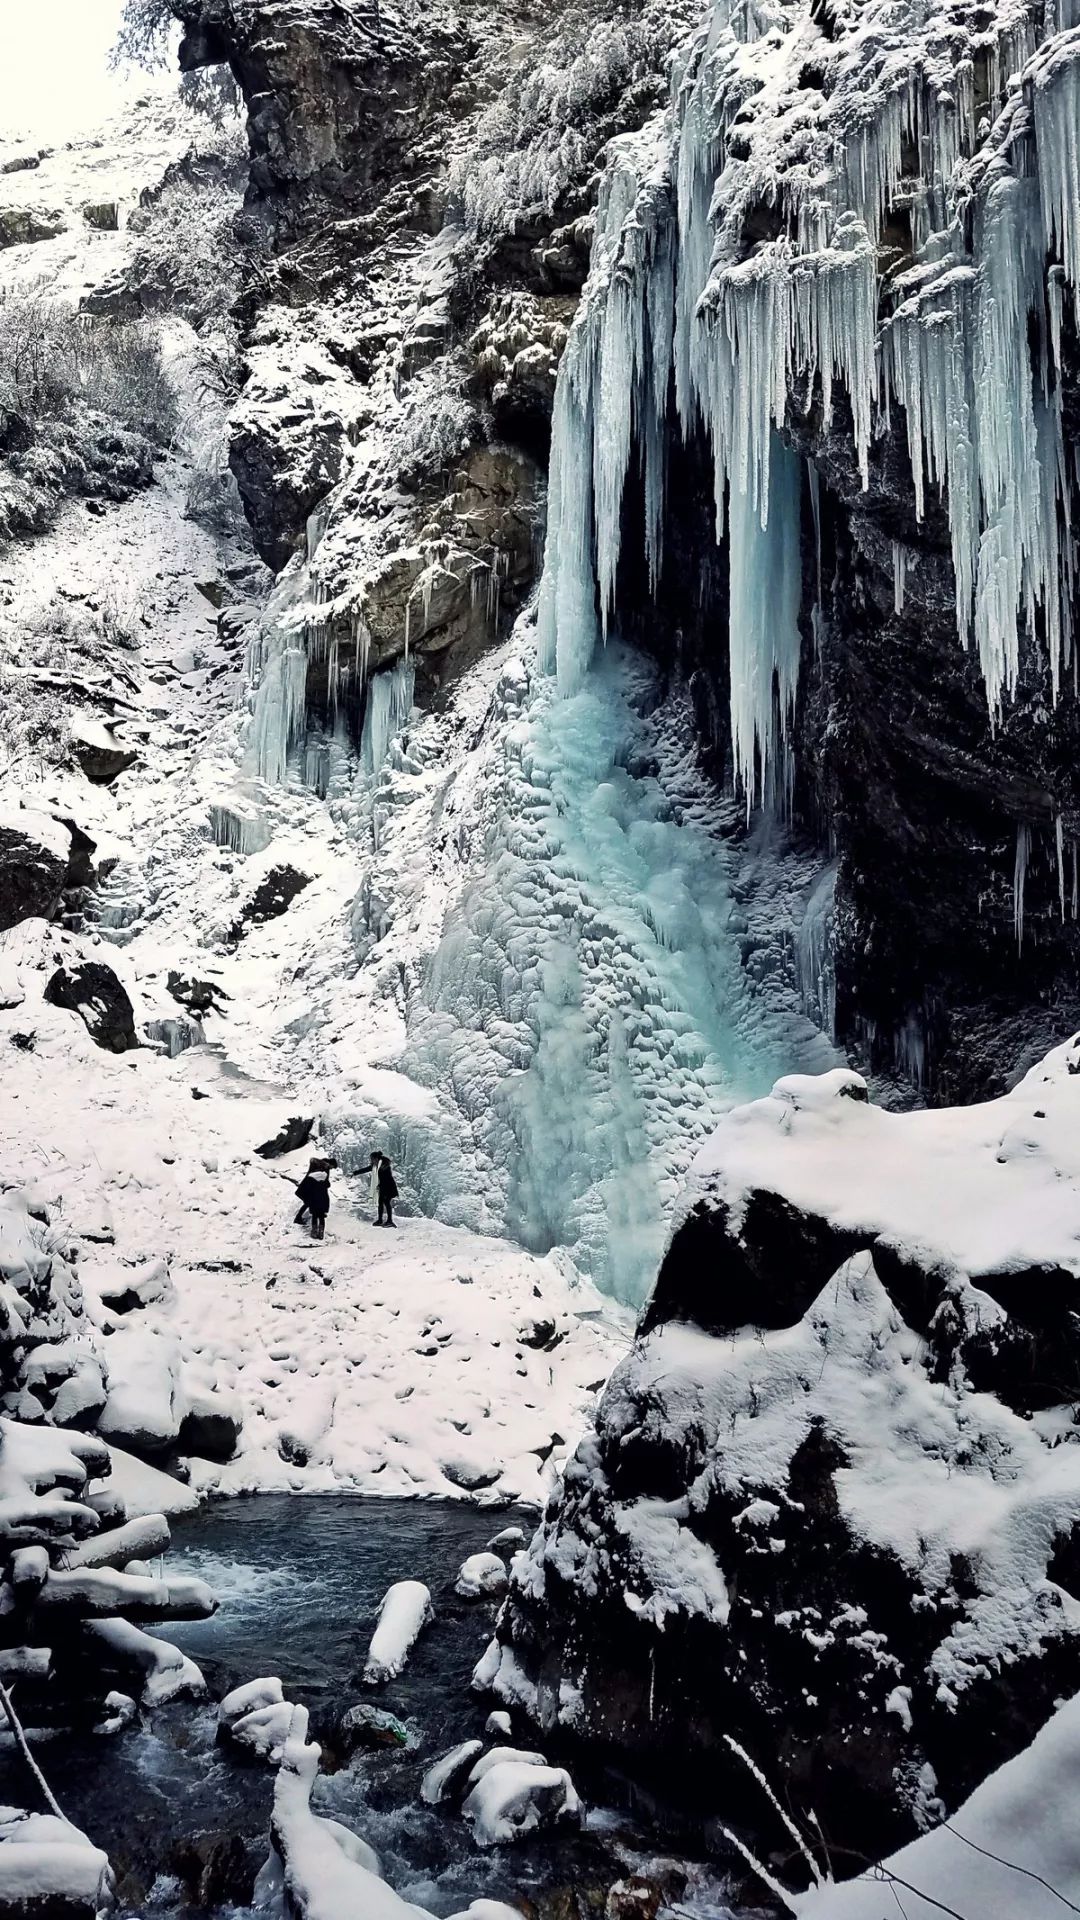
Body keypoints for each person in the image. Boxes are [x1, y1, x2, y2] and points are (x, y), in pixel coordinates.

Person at [294, 1157, 331, 1240]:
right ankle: (321, 1233)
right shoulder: (325, 1176)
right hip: (323, 1199)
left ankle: (314, 1231)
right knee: (321, 1217)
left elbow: (308, 1188)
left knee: (314, 1216)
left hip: (314, 1200)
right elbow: (328, 1185)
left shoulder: (310, 1178)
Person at [361, 1152, 399, 1228]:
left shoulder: (385, 1166)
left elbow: (387, 1179)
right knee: (380, 1203)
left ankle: (389, 1221)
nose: (371, 1161)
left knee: (387, 1203)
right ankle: (380, 1220)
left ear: (376, 1159)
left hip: (389, 1187)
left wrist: (380, 1185)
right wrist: (354, 1173)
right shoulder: (376, 1165)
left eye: (372, 1159)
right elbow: (367, 1169)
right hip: (382, 1187)